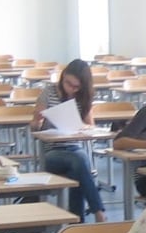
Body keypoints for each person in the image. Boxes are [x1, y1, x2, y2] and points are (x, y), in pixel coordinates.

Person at [32, 59, 106, 222]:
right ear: (63, 77)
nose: (71, 88)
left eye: (76, 86)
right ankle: (98, 211)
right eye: (68, 83)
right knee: (81, 161)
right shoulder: (48, 93)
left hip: (73, 147)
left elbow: (90, 126)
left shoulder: (82, 98)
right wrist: (37, 121)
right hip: (52, 152)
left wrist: (82, 127)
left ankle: (77, 220)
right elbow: (34, 129)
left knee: (78, 166)